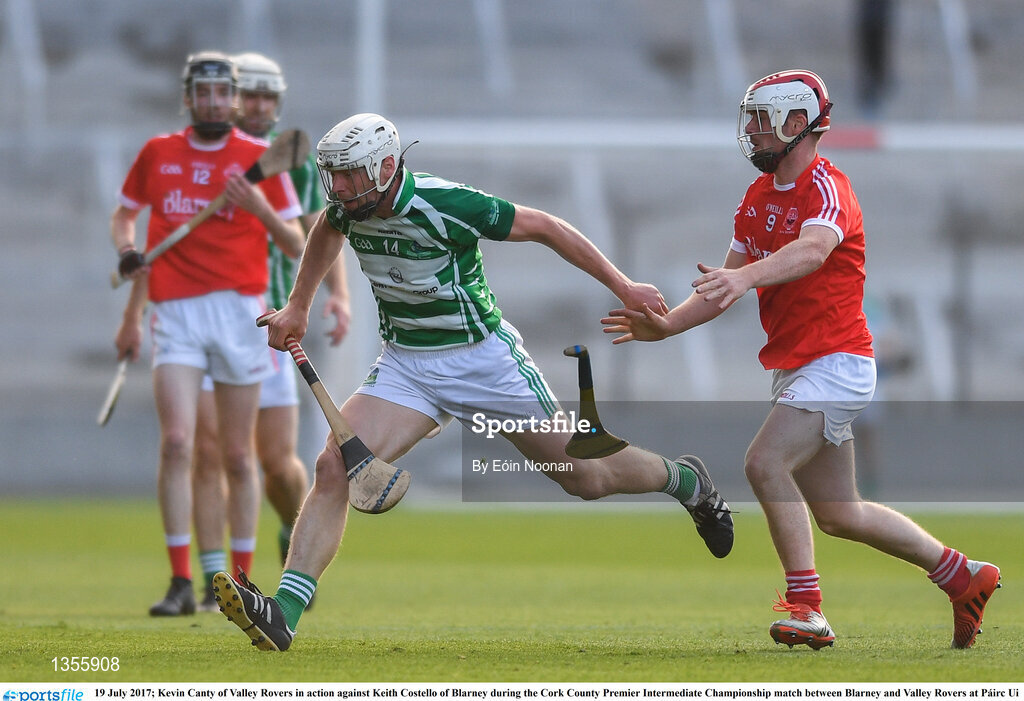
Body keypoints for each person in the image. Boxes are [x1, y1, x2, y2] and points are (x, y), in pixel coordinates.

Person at [211, 112, 735, 651]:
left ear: (386, 166)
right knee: (334, 466)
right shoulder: (350, 209)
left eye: (348, 173)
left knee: (587, 478)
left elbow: (547, 227)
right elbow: (325, 228)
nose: (337, 186)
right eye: (332, 173)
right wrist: (298, 305)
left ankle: (685, 481)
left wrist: (624, 287)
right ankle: (285, 613)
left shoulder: (448, 204)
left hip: (484, 363)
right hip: (407, 366)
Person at [602, 70, 1000, 650]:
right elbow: (722, 284)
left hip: (837, 362)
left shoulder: (829, 188)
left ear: (798, 124)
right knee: (843, 514)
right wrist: (665, 327)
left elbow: (812, 250)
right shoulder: (757, 198)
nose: (754, 133)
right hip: (800, 367)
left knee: (763, 463)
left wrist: (743, 277)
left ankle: (807, 607)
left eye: (764, 121)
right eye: (752, 120)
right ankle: (964, 576)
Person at [113, 51, 305, 616]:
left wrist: (257, 207)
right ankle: (185, 579)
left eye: (224, 93)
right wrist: (127, 251)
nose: (215, 102)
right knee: (179, 443)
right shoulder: (158, 152)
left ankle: (239, 584)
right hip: (176, 312)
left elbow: (295, 242)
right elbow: (125, 215)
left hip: (240, 311)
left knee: (238, 457)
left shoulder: (256, 159)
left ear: (236, 98)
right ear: (189, 96)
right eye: (204, 92)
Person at [188, 51, 352, 612]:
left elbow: (320, 230)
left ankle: (294, 525)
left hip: (276, 319)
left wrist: (340, 296)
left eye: (266, 97)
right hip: (215, 317)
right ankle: (220, 579)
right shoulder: (205, 155)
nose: (257, 106)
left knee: (275, 461)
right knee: (211, 450)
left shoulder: (296, 160)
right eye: (248, 95)